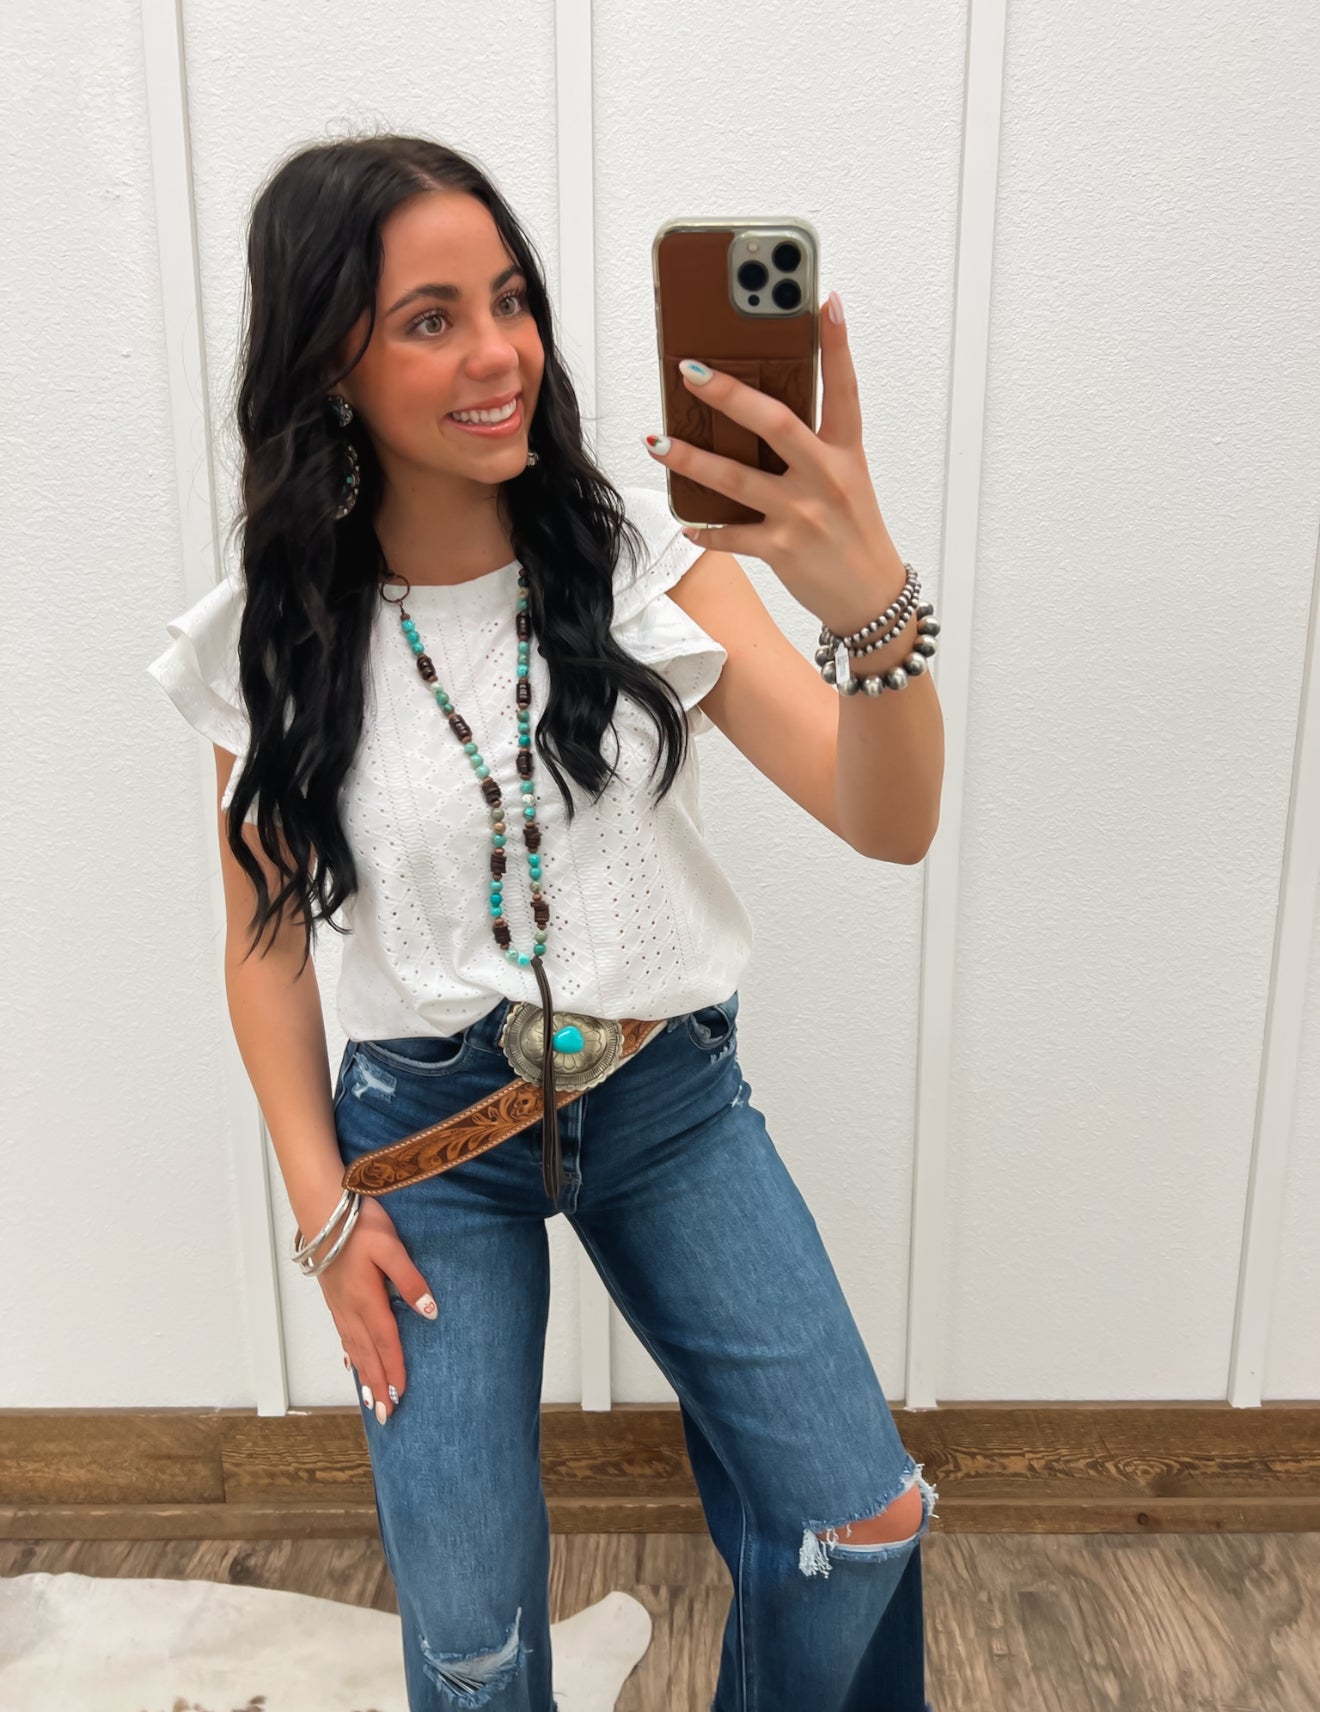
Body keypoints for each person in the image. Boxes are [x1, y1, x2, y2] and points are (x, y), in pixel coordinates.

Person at [147, 133, 939, 1712]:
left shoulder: (645, 562)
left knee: (862, 1523)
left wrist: (871, 607)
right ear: (329, 361)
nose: (500, 351)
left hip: (667, 1101)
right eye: (431, 319)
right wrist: (323, 1215)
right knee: (472, 1642)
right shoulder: (271, 639)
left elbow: (887, 820)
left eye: (509, 300)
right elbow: (265, 946)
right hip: (425, 1150)